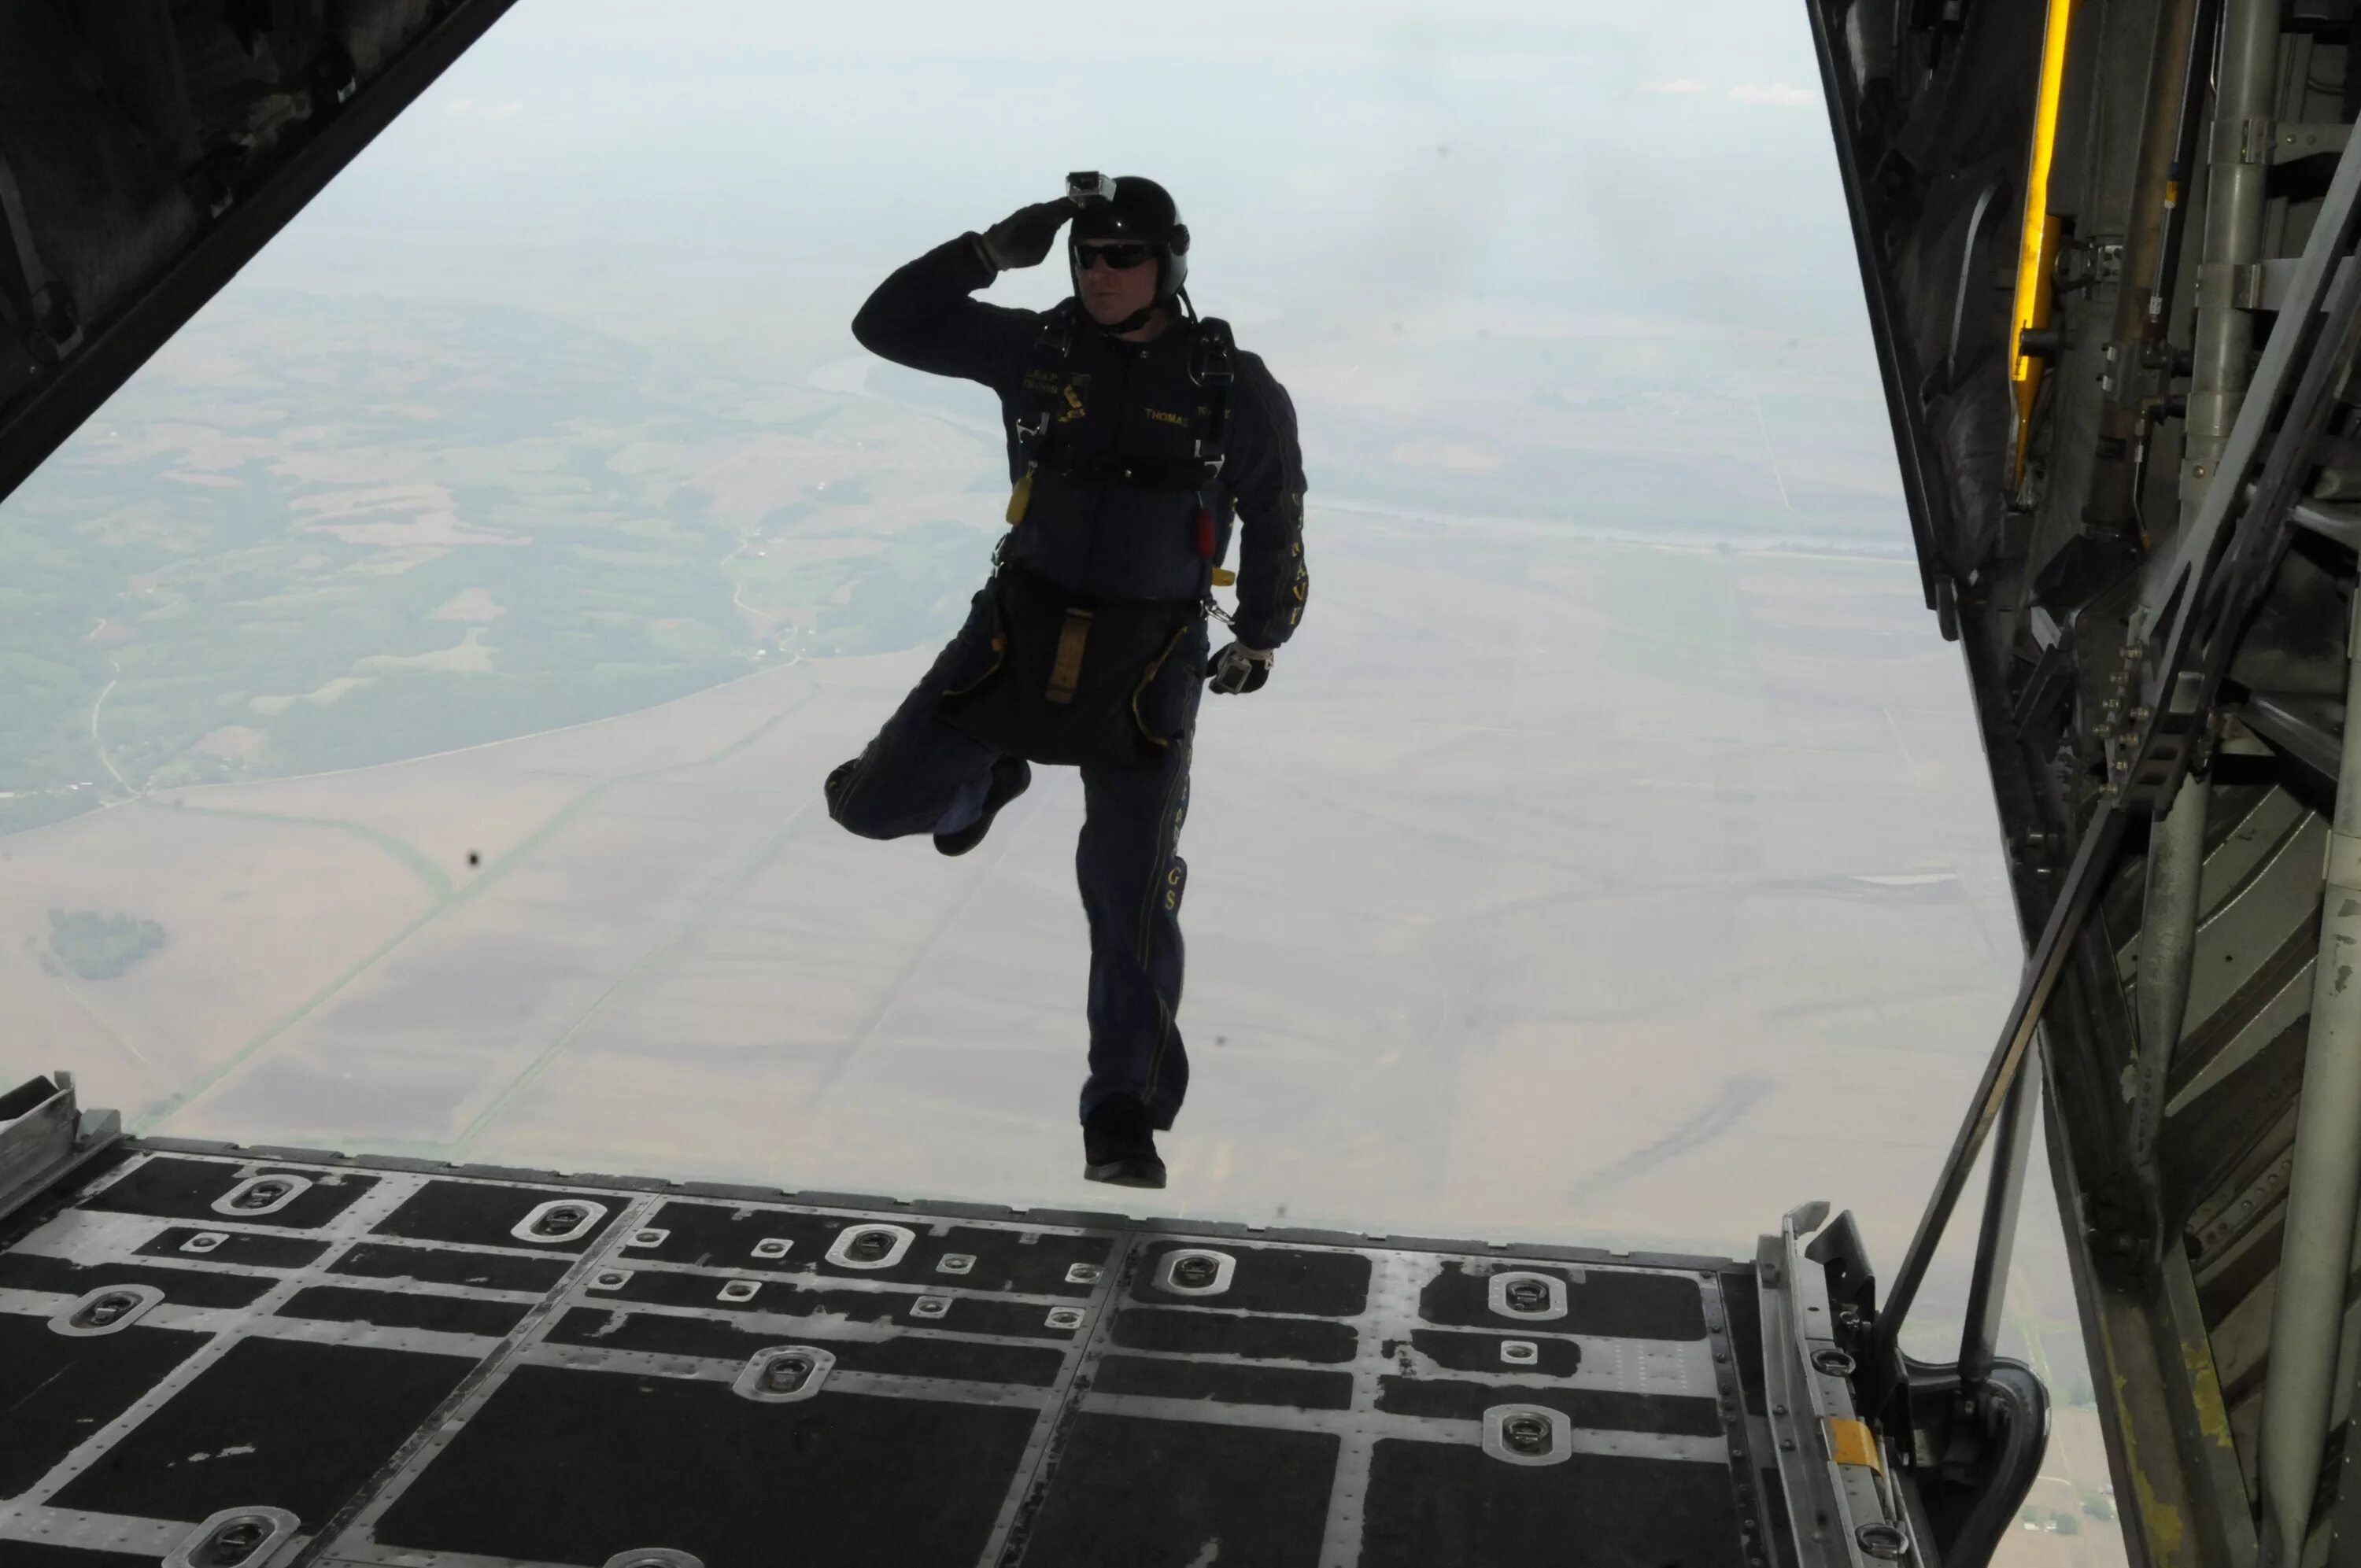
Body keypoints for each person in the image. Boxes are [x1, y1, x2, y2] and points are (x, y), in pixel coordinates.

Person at [825, 175, 1309, 1189]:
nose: (1100, 274)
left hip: (1150, 665)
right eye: (1088, 255)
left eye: (1123, 256)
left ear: (1168, 263)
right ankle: (984, 783)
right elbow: (886, 325)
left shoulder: (1231, 382)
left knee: (1131, 891)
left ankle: (1122, 1111)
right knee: (869, 808)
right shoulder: (1037, 350)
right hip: (1016, 633)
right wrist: (991, 253)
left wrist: (1261, 637)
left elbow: (1276, 510)